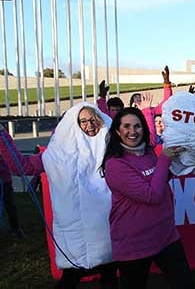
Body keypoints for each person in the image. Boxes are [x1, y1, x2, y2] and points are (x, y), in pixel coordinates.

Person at [0, 104, 117, 288]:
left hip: (107, 231)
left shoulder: (112, 149)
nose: (90, 125)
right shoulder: (57, 155)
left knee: (110, 277)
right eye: (83, 121)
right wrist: (2, 137)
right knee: (71, 278)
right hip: (76, 235)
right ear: (74, 125)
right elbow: (22, 167)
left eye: (93, 120)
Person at [101, 108, 194, 288]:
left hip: (165, 235)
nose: (132, 131)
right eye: (126, 126)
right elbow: (153, 195)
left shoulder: (149, 152)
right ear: (117, 131)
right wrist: (164, 159)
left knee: (186, 284)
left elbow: (160, 179)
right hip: (135, 243)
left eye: (137, 126)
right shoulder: (115, 165)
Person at [0, 155, 25, 238]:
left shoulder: (4, 147)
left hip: (6, 182)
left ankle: (15, 229)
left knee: (11, 207)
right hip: (5, 180)